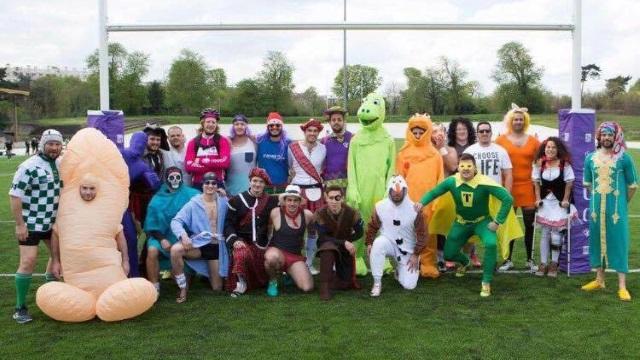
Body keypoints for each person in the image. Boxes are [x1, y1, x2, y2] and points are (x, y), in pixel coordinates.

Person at [420, 154, 514, 297]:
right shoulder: (452, 181)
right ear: (458, 167)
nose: (465, 169)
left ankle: (486, 282)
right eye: (462, 166)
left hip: (482, 222)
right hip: (461, 223)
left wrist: (497, 222)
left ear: (475, 168)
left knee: (490, 244)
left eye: (469, 166)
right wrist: (421, 203)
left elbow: (507, 198)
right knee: (448, 254)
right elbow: (434, 192)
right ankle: (464, 261)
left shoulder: (484, 182)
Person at [9, 129, 63, 323]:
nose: (54, 147)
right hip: (31, 223)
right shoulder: (28, 166)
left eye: (57, 144)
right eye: (50, 144)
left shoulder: (61, 163)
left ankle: (52, 297)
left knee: (58, 258)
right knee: (28, 262)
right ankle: (20, 307)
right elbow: (15, 196)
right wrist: (19, 225)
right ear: (42, 145)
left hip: (53, 224)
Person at [581, 122, 637, 301]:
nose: (606, 138)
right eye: (603, 135)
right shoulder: (590, 158)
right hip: (596, 209)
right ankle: (599, 280)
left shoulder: (624, 158)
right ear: (599, 137)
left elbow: (632, 185)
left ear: (616, 137)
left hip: (616, 210)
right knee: (597, 241)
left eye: (610, 135)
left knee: (619, 241)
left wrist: (622, 203)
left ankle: (622, 286)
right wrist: (597, 201)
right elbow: (588, 184)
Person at [346, 93, 396, 276]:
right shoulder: (356, 140)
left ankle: (381, 257)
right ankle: (357, 257)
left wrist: (388, 191)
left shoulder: (388, 140)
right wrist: (352, 188)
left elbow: (392, 168)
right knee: (357, 224)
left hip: (380, 190)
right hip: (360, 190)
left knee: (381, 224)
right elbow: (351, 166)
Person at [170, 172, 230, 303]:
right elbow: (176, 221)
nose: (210, 185)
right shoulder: (193, 203)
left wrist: (227, 196)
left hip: (216, 247)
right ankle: (183, 288)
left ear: (217, 185)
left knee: (217, 288)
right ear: (202, 185)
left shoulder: (224, 202)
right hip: (199, 245)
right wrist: (183, 235)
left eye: (213, 183)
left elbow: (237, 208)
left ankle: (207, 275)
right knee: (175, 250)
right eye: (207, 183)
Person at [395, 114, 442, 278]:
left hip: (428, 201)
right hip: (409, 201)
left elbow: (440, 179)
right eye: (414, 132)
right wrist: (399, 199)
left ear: (427, 131)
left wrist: (437, 200)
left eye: (420, 132)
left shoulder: (435, 154)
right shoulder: (403, 153)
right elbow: (399, 178)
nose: (417, 135)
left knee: (428, 233)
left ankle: (428, 263)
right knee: (408, 232)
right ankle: (406, 261)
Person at [496, 104, 541, 272]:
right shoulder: (500, 141)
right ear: (510, 121)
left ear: (525, 121)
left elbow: (540, 163)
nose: (518, 122)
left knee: (530, 224)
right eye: (515, 119)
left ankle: (530, 259)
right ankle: (507, 260)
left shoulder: (534, 141)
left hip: (528, 187)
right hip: (508, 187)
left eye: (521, 119)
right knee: (508, 224)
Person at [366, 175, 427, 297]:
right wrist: (369, 242)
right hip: (388, 243)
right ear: (389, 190)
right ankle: (377, 283)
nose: (396, 194)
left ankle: (400, 270)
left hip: (408, 249)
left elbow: (423, 234)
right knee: (378, 244)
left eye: (400, 191)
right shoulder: (380, 206)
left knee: (409, 285)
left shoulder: (415, 209)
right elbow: (372, 226)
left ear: (405, 190)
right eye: (393, 191)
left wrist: (416, 254)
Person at [143, 167, 200, 294]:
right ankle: (154, 287)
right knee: (152, 251)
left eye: (178, 177)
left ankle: (183, 272)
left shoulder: (191, 194)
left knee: (181, 283)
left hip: (182, 237)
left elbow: (206, 200)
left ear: (181, 178)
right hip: (161, 236)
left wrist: (219, 193)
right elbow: (151, 225)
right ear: (167, 180)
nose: (175, 180)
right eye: (172, 178)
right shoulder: (157, 198)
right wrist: (162, 239)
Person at [223, 167, 279, 296]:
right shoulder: (236, 200)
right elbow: (228, 224)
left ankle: (271, 280)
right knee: (241, 254)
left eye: (261, 182)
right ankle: (241, 283)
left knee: (272, 258)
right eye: (255, 180)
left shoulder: (271, 201)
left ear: (265, 184)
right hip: (243, 242)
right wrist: (234, 240)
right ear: (249, 181)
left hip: (263, 243)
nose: (257, 184)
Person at [532, 137, 576, 277]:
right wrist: (538, 198)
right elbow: (536, 183)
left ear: (558, 150)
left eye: (553, 147)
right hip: (545, 203)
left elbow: (569, 183)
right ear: (544, 149)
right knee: (544, 233)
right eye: (548, 147)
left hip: (558, 204)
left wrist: (565, 200)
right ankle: (543, 263)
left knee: (556, 235)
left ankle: (554, 264)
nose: (550, 149)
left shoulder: (564, 164)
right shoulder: (539, 163)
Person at [288, 118, 326, 274]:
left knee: (313, 230)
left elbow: (323, 168)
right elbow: (290, 168)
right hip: (298, 191)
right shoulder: (293, 147)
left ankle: (309, 263)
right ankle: (292, 263)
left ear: (318, 132)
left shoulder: (323, 148)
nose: (312, 133)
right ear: (304, 131)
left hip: (316, 192)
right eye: (309, 130)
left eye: (315, 131)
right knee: (294, 228)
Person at [264, 185, 315, 297]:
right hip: (277, 252)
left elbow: (312, 235)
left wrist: (310, 260)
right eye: (289, 200)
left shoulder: (307, 215)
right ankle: (273, 281)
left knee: (307, 287)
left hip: (295, 256)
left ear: (300, 201)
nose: (292, 203)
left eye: (295, 200)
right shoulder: (275, 212)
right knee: (271, 258)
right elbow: (267, 231)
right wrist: (265, 250)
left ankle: (290, 274)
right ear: (285, 201)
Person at [315, 185, 364, 300]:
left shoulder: (352, 213)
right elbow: (322, 237)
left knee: (346, 283)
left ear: (342, 198)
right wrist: (344, 242)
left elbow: (360, 233)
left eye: (337, 198)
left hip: (343, 247)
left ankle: (334, 277)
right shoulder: (319, 214)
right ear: (326, 198)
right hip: (327, 244)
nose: (334, 201)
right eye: (331, 198)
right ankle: (324, 287)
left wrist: (348, 242)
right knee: (328, 249)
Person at [446, 117, 480, 268]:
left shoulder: (475, 146)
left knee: (472, 221)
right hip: (456, 189)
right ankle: (455, 253)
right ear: (454, 131)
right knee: (456, 223)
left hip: (472, 188)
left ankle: (472, 254)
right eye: (458, 129)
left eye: (464, 129)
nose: (461, 132)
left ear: (469, 131)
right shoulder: (449, 147)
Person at [185, 108, 231, 190]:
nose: (211, 124)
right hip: (198, 184)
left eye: (213, 122)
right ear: (202, 123)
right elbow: (188, 166)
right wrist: (214, 166)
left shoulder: (222, 140)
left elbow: (225, 163)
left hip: (216, 183)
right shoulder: (193, 142)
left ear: (216, 124)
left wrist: (201, 161)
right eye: (208, 122)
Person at [464, 122, 513, 189]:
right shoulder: (469, 151)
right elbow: (463, 174)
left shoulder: (501, 151)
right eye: (481, 131)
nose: (485, 133)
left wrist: (507, 195)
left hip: (496, 192)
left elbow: (508, 175)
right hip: (476, 193)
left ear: (491, 133)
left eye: (487, 131)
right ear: (477, 134)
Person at [256, 112, 291, 194]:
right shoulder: (259, 141)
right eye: (271, 125)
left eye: (278, 125)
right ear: (268, 127)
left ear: (281, 127)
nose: (274, 127)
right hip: (264, 186)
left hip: (283, 186)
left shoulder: (288, 143)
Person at [321, 106, 352, 190]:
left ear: (344, 121)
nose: (336, 122)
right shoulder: (324, 141)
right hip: (330, 185)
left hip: (349, 184)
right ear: (330, 122)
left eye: (339, 119)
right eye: (333, 120)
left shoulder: (352, 138)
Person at [226, 114, 256, 196]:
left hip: (250, 189)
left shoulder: (253, 141)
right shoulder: (227, 142)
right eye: (236, 124)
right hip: (231, 189)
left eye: (242, 124)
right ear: (233, 127)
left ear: (246, 126)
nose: (239, 127)